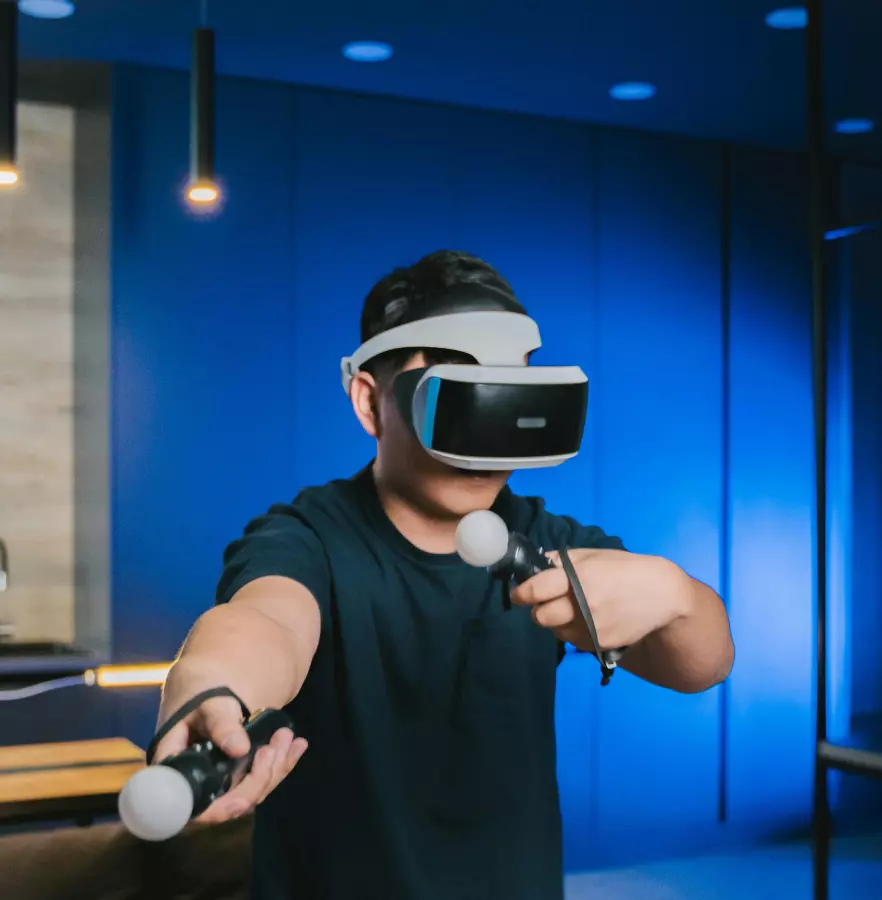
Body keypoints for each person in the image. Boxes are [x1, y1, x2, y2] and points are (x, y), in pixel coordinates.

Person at [152, 250, 735, 900]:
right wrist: (211, 684)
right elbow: (265, 620)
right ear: (370, 402)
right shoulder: (308, 536)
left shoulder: (546, 542)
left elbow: (704, 664)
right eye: (462, 389)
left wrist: (676, 597)